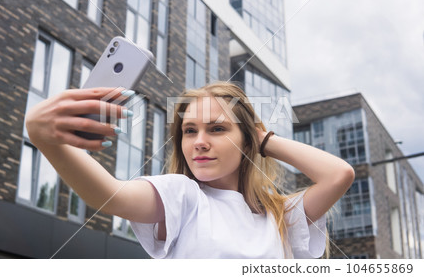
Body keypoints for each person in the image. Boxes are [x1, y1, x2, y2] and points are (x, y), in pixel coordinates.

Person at [26, 81, 354, 259]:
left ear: (247, 139)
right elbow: (112, 196)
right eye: (189, 130)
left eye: (217, 129)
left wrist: (263, 139)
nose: (199, 142)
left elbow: (339, 174)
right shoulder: (182, 195)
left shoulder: (281, 215)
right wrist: (48, 141)